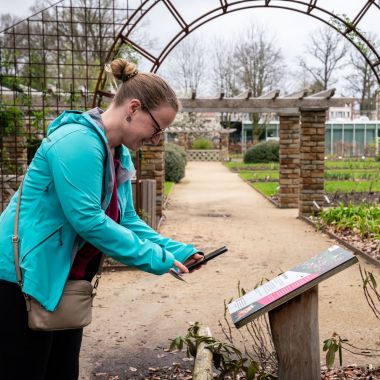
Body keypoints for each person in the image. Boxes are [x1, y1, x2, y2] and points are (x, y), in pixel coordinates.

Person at [0, 58, 204, 380]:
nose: (156, 139)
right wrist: (155, 258)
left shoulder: (117, 152)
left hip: (64, 281)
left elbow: (128, 220)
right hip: (21, 278)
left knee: (62, 371)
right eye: (156, 128)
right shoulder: (77, 142)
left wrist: (177, 251)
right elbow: (89, 221)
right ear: (133, 108)